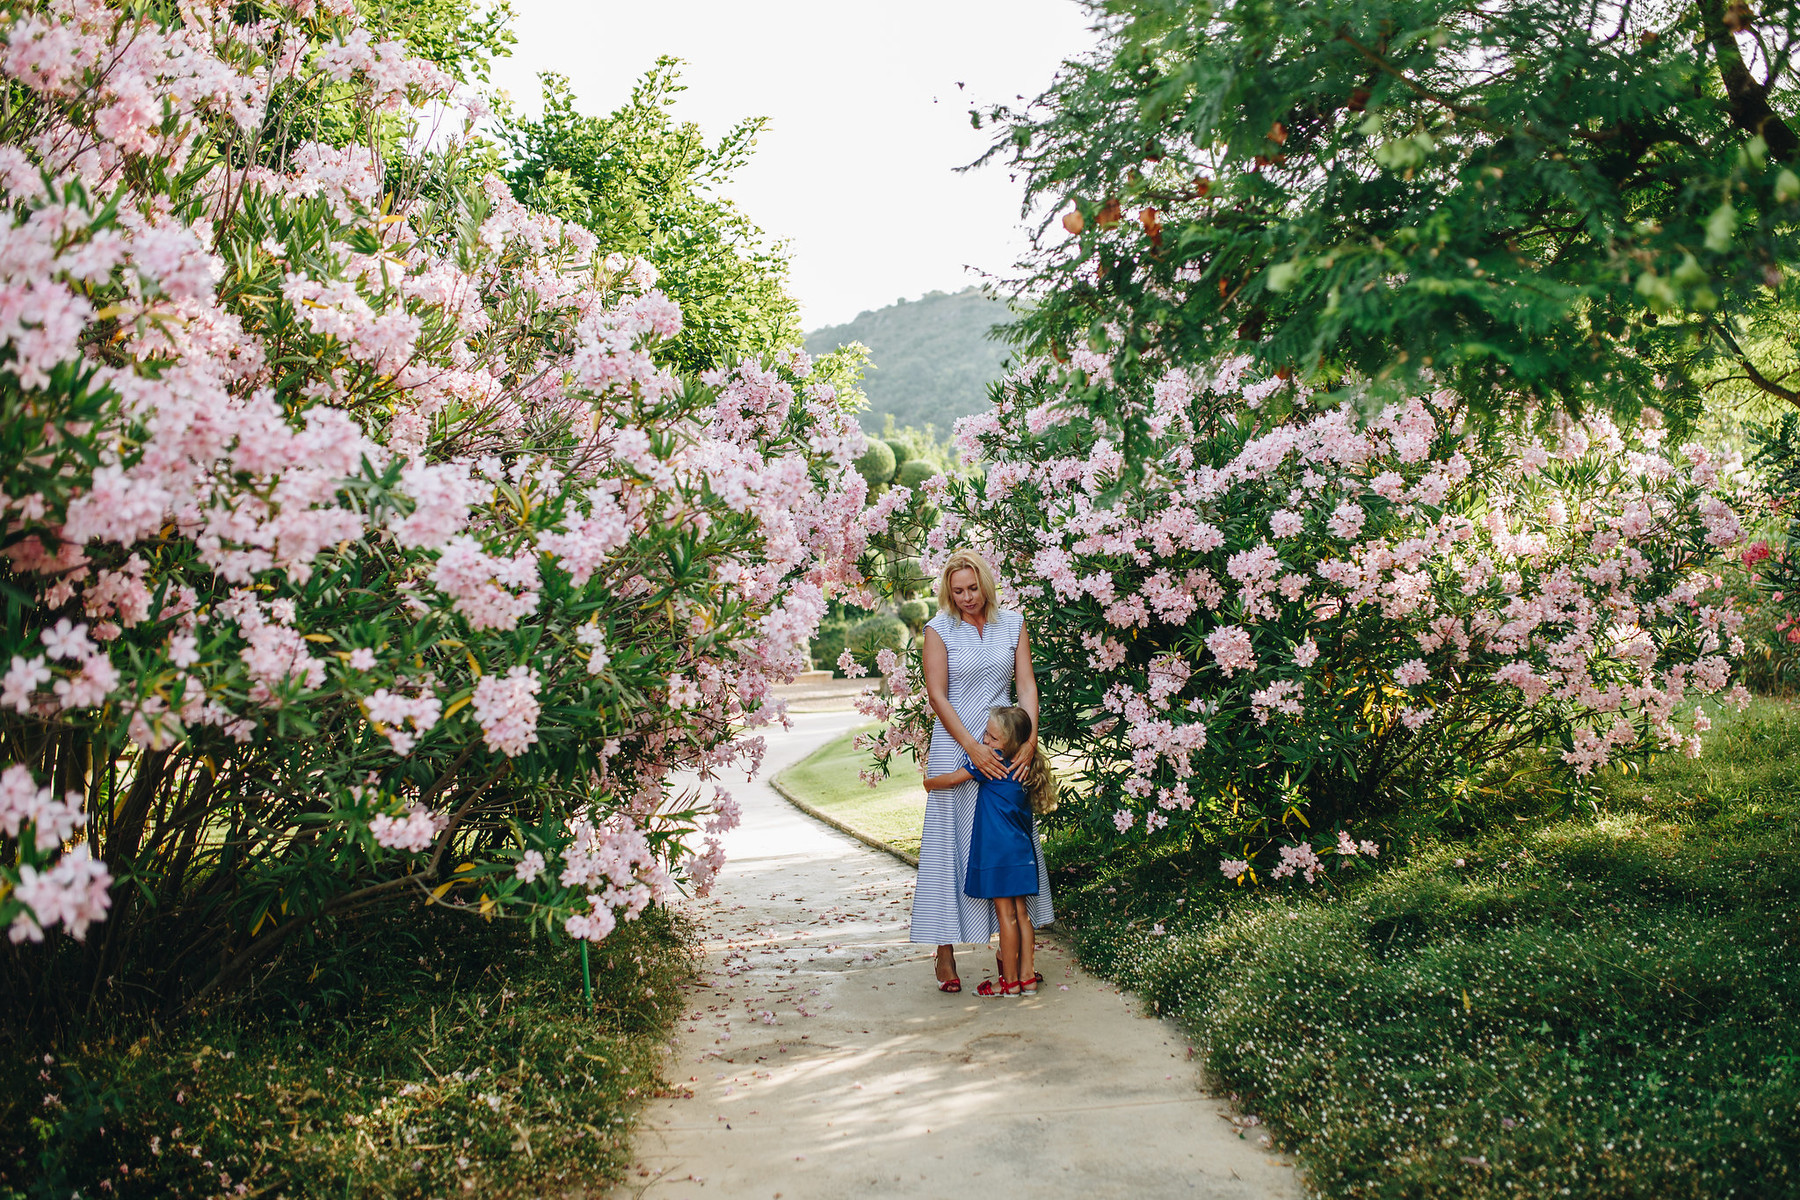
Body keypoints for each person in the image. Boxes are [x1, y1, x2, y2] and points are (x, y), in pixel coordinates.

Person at [910, 549, 1054, 993]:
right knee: (950, 849)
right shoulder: (939, 630)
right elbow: (938, 696)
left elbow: (1026, 685)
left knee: (1004, 844)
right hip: (957, 750)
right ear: (947, 592)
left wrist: (1027, 744)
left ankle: (1007, 952)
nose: (967, 597)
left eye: (973, 588)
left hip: (1007, 746)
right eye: (958, 591)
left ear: (986, 585)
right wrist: (972, 750)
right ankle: (944, 953)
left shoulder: (1012, 624)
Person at [924, 706, 1058, 996]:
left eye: (992, 737)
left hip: (998, 856)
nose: (985, 740)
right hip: (1022, 855)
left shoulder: (991, 762)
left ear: (1008, 744)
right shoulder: (1025, 767)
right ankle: (1027, 978)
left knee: (1006, 918)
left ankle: (1007, 982)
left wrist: (929, 783)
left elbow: (951, 780)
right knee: (1022, 916)